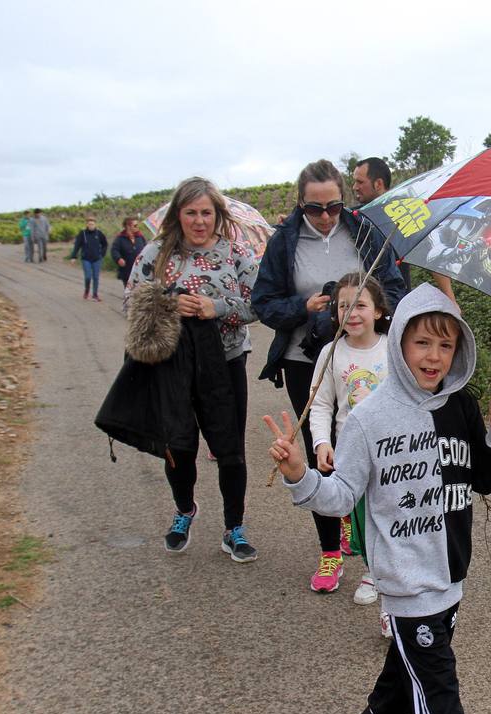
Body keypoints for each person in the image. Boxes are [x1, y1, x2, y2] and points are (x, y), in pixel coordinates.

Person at [265, 283, 491, 714]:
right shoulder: (370, 418)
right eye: (423, 342)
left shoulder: (459, 406)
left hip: (450, 572)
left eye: (447, 345)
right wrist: (299, 475)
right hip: (406, 581)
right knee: (437, 685)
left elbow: (483, 479)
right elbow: (340, 498)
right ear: (399, 342)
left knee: (411, 666)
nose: (434, 357)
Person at [252, 159, 406, 592]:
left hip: (364, 356)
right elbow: (263, 303)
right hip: (308, 360)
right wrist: (304, 308)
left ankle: (380, 559)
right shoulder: (284, 241)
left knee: (377, 453)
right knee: (320, 452)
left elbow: (395, 289)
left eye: (333, 207)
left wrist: (364, 308)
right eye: (314, 209)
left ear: (344, 200)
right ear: (300, 204)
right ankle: (330, 552)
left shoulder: (363, 230)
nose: (324, 217)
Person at [107, 176, 260, 562]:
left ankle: (234, 527)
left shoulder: (235, 253)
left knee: (230, 447)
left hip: (225, 362)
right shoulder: (156, 254)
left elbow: (259, 305)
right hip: (172, 367)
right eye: (191, 212)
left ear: (217, 214)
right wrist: (169, 304)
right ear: (179, 214)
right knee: (178, 445)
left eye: (206, 212)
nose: (199, 220)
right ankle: (184, 510)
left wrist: (217, 308)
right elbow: (130, 301)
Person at [308, 272, 391, 615]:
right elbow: (321, 404)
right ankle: (373, 571)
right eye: (344, 306)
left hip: (392, 451)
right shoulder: (330, 353)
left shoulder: (394, 348)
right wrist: (321, 443)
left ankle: (389, 594)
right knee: (365, 519)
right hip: (351, 452)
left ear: (378, 311)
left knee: (390, 517)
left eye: (360, 305)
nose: (352, 313)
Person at [352, 157, 456, 303]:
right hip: (361, 305)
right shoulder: (353, 217)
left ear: (378, 183)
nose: (354, 187)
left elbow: (431, 252)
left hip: (396, 302)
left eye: (360, 182)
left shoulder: (403, 212)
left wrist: (450, 299)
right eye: (355, 181)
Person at [68, 216, 109, 300]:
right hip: (86, 259)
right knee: (88, 276)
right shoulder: (82, 233)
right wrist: (73, 257)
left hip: (97, 259)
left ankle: (95, 294)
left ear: (95, 224)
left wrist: (102, 254)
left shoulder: (99, 233)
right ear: (87, 224)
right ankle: (87, 290)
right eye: (89, 224)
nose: (91, 226)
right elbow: (77, 245)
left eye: (93, 224)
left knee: (96, 277)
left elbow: (105, 244)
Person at [110, 217, 147, 289]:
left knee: (139, 290)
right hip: (127, 270)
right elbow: (114, 250)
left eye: (137, 225)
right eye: (135, 225)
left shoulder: (140, 237)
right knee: (129, 291)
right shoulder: (120, 238)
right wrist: (118, 259)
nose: (137, 227)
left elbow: (146, 249)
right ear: (128, 226)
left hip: (140, 269)